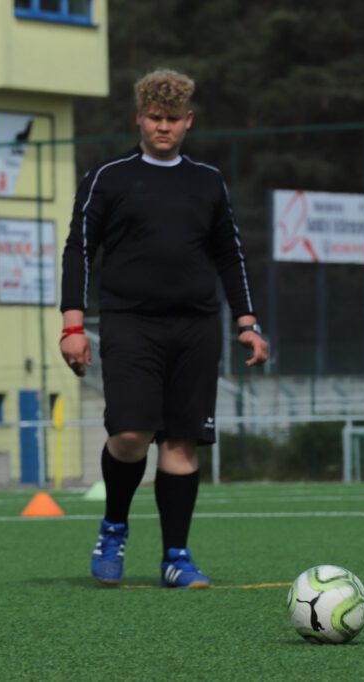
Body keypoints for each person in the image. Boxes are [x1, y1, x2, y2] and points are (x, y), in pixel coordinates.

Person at [58, 69, 268, 588]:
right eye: (155, 118)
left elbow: (230, 253)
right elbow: (78, 250)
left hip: (196, 326)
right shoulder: (108, 178)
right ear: (139, 118)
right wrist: (72, 325)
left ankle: (176, 556)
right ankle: (113, 527)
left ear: (188, 121)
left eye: (173, 119)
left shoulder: (208, 181)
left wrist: (247, 322)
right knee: (130, 434)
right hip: (131, 323)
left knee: (180, 444)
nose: (164, 127)